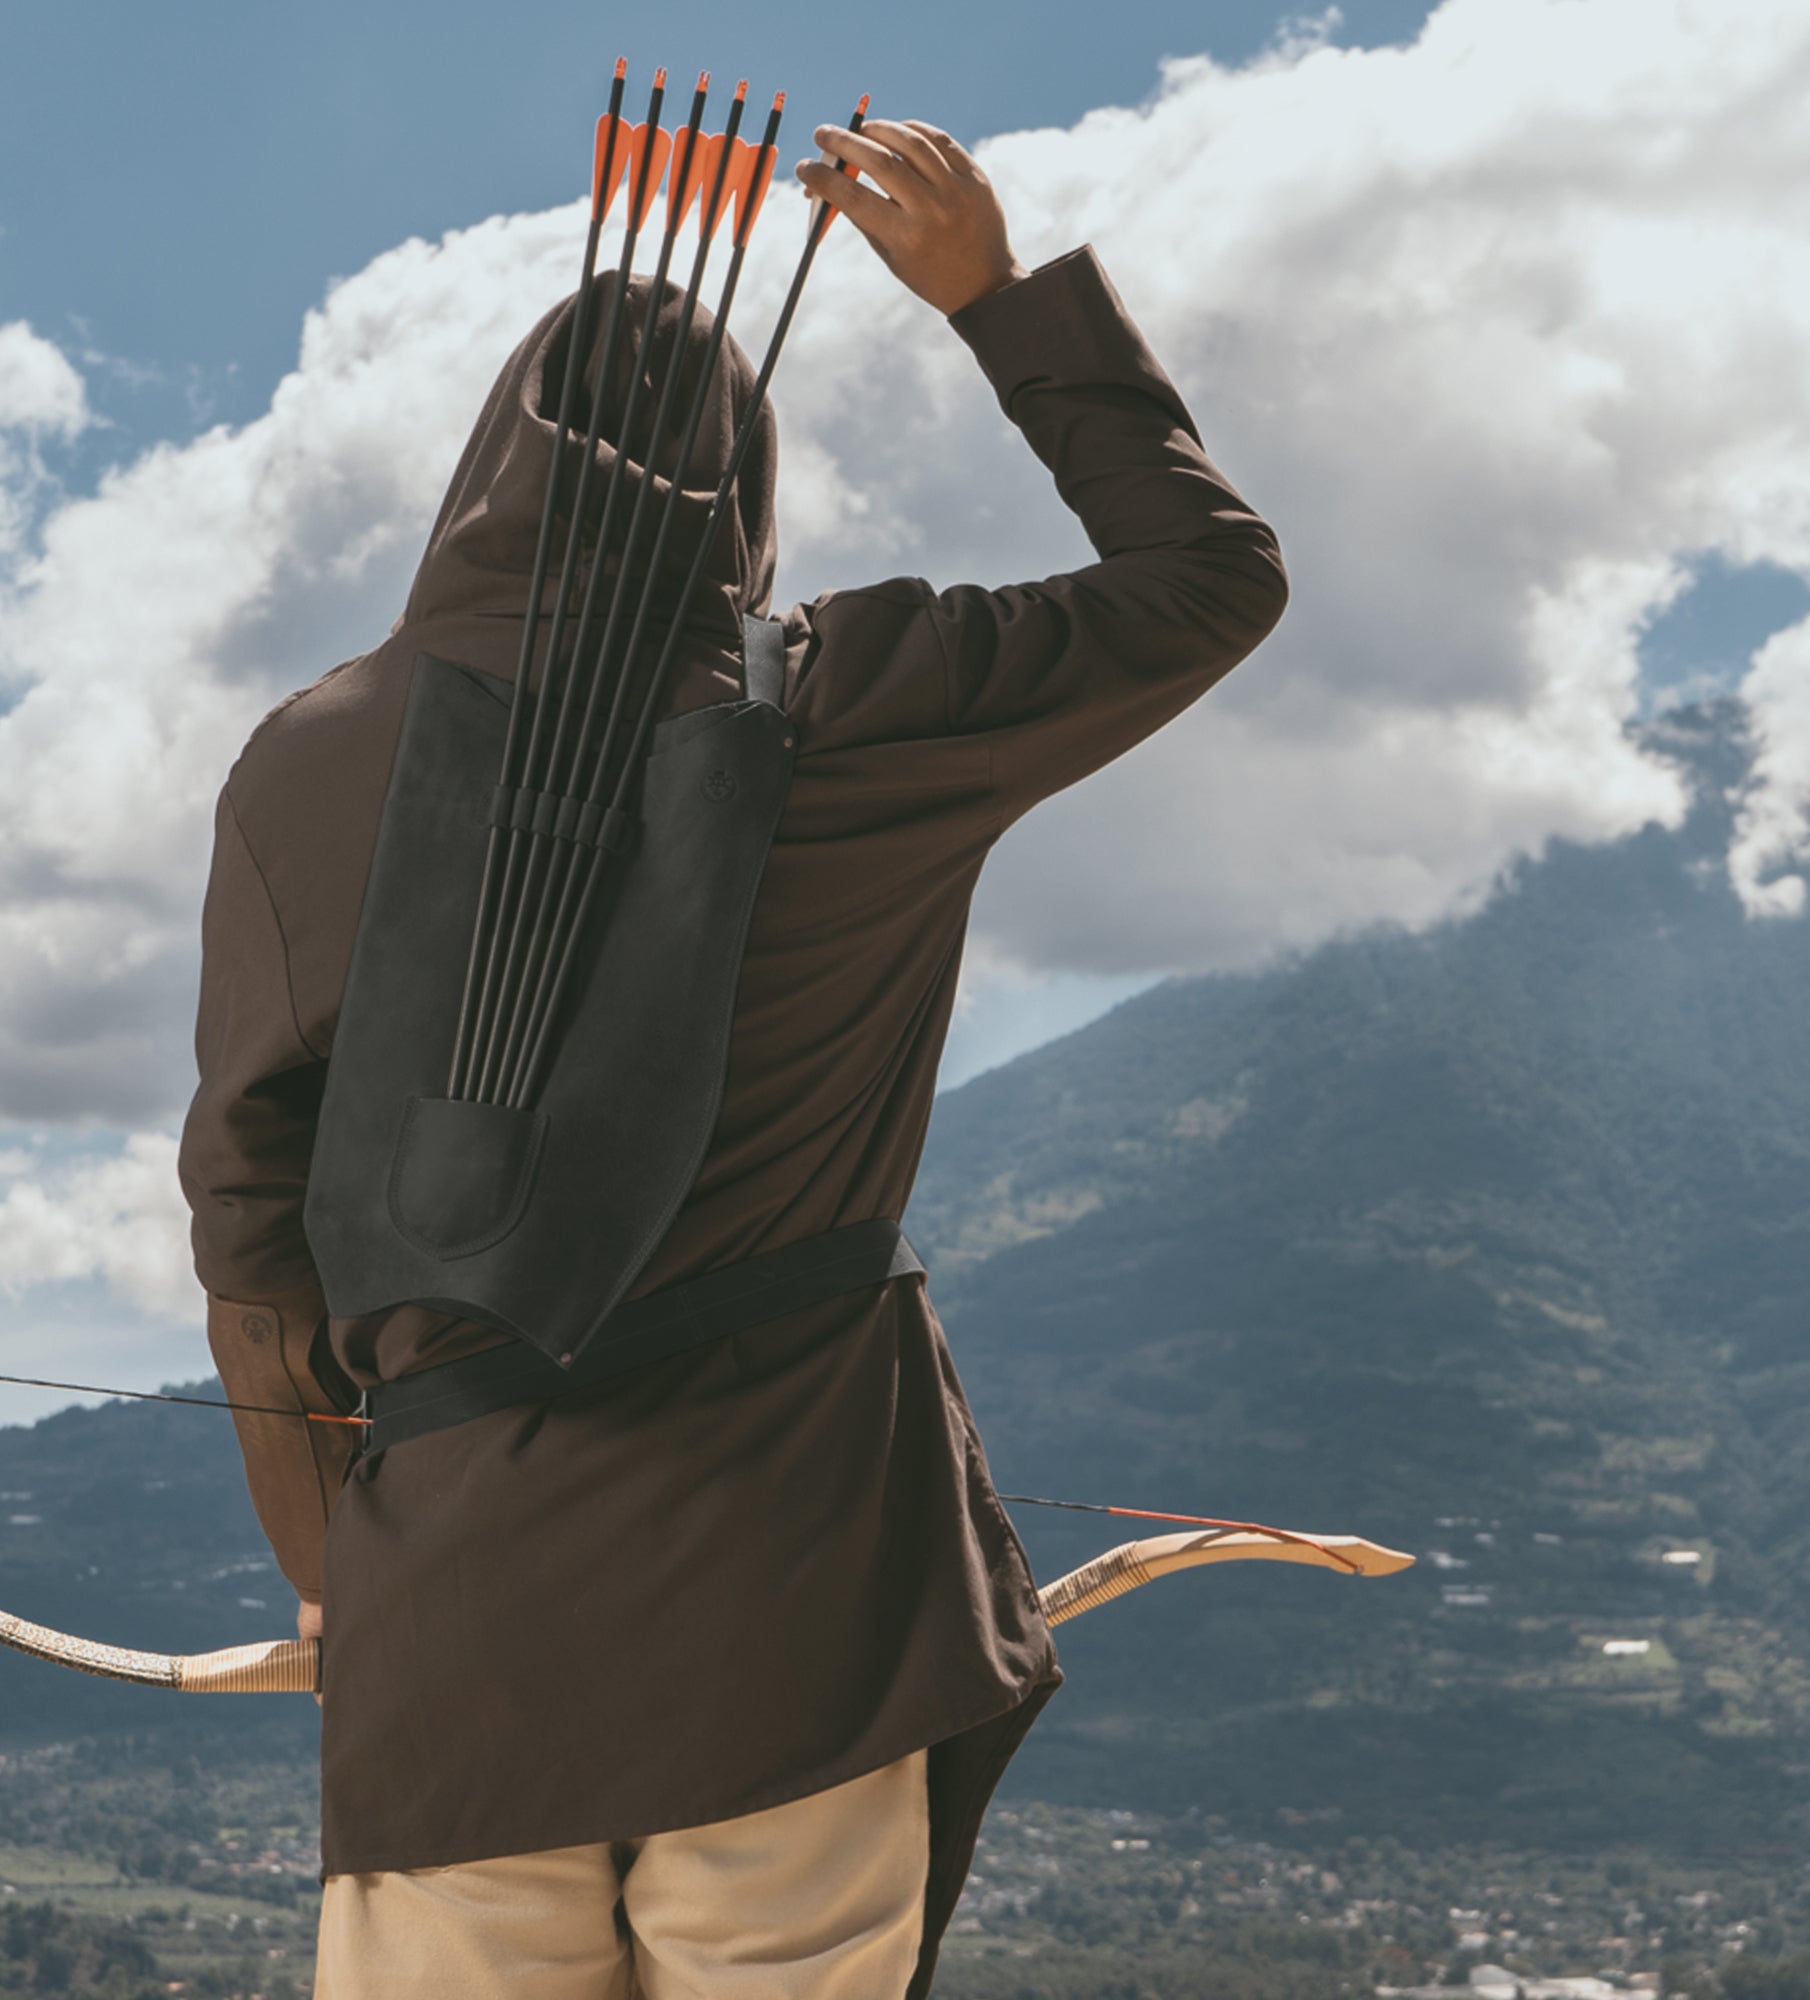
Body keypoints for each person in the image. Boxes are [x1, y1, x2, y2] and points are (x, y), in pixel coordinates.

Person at [178, 113, 1287, 1999]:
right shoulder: (859, 703)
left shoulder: (308, 760)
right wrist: (998, 301)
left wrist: (332, 1558)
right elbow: (1211, 577)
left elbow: (249, 1220)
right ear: (747, 496)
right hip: (806, 1609)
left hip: (455, 1624)